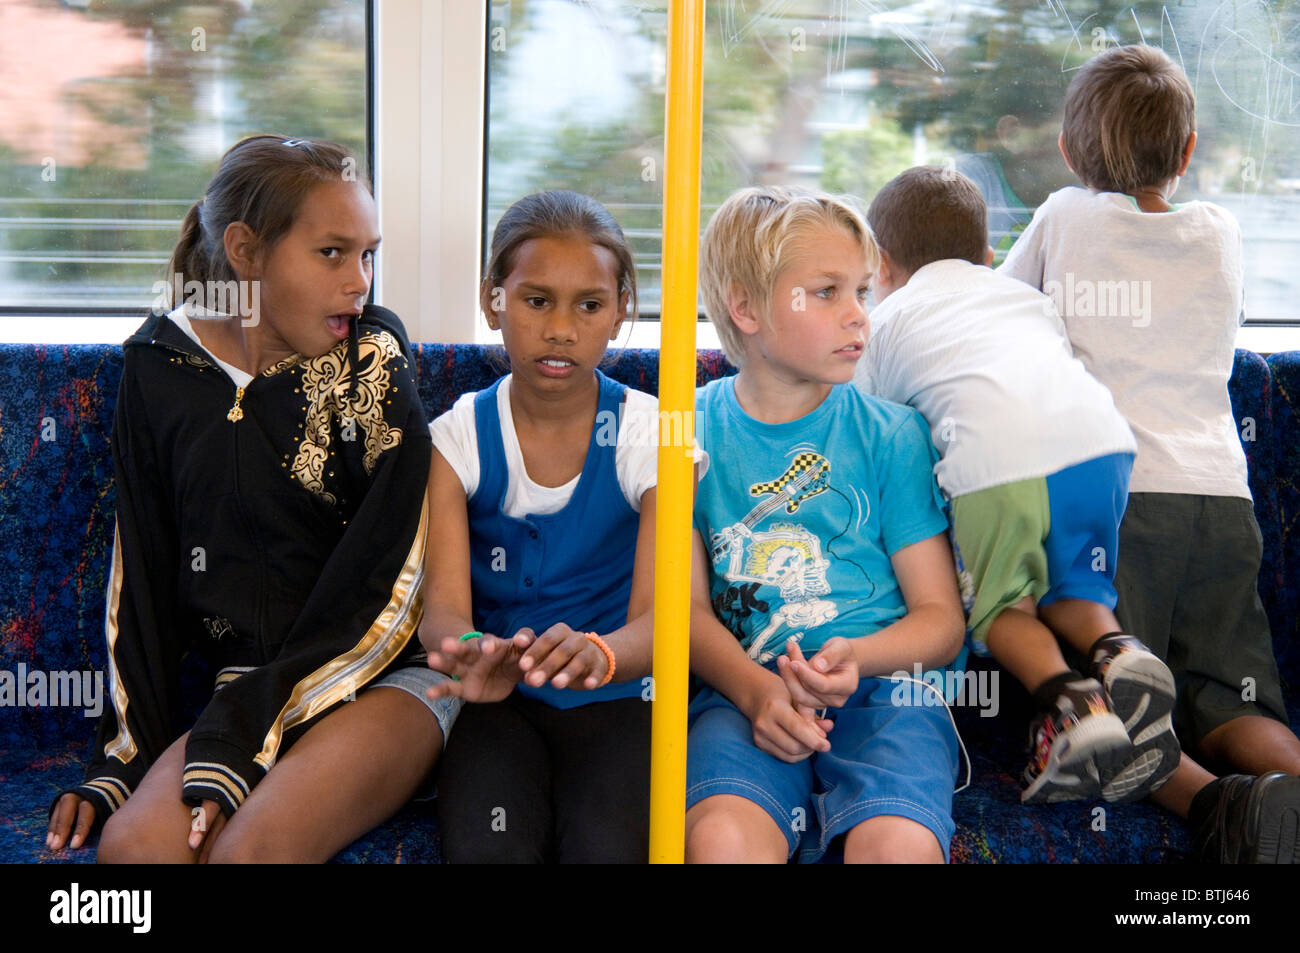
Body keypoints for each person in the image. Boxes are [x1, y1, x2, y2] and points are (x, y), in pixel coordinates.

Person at [44, 135, 455, 863]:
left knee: (247, 853)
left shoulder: (373, 357)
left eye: (368, 254)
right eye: (332, 253)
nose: (359, 282)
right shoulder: (158, 369)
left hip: (385, 678)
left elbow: (393, 584)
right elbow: (140, 571)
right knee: (132, 852)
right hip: (245, 691)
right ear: (246, 251)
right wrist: (123, 757)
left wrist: (243, 726)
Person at [1000, 43, 1300, 862]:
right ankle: (1286, 791)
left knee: (1116, 698)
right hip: (1221, 500)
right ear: (1190, 152)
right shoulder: (1223, 233)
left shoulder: (1063, 217)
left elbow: (998, 317)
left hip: (1120, 503)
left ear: (1067, 153)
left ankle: (1213, 809)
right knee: (1236, 698)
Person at [685, 185, 966, 864]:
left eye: (864, 291)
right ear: (745, 308)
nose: (858, 317)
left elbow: (940, 619)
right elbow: (684, 609)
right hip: (743, 691)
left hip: (886, 692)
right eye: (828, 291)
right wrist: (757, 691)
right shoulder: (684, 433)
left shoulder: (891, 435)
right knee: (721, 840)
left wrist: (858, 659)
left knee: (899, 847)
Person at [419, 190, 701, 863]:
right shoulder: (455, 440)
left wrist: (600, 654)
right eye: (536, 300)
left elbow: (665, 619)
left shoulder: (651, 434)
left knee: (608, 845)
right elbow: (445, 611)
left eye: (590, 305)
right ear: (495, 301)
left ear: (620, 312)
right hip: (501, 701)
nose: (561, 329)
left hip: (624, 694)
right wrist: (471, 651)